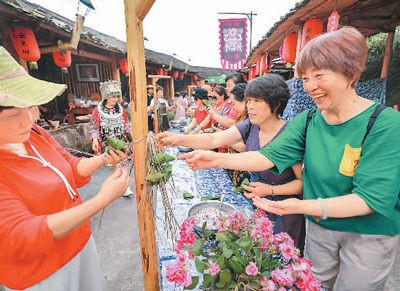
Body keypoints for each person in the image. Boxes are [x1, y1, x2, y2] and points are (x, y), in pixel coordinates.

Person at [177, 27, 400, 290]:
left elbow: (369, 199)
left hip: (369, 233)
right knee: (311, 284)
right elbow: (265, 157)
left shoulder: (385, 123)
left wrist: (298, 206)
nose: (310, 87)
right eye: (305, 78)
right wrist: (216, 160)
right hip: (320, 226)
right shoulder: (308, 121)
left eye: (319, 75)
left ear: (349, 74)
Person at [0, 46, 130, 291]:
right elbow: (21, 235)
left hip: (79, 244)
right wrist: (101, 200)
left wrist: (103, 159)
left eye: (31, 108)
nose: (29, 119)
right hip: (40, 273)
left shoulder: (35, 133)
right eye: (13, 114)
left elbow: (69, 166)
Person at [159, 75, 305, 249]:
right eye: (249, 100)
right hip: (259, 206)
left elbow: (302, 184)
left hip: (285, 211)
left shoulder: (290, 135)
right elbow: (214, 140)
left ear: (276, 103)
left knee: (282, 262)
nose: (250, 106)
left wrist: (271, 189)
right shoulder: (251, 125)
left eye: (257, 101)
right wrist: (178, 139)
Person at [90, 80, 132, 155]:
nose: (115, 99)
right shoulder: (97, 111)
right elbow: (94, 128)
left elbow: (127, 124)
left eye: (117, 97)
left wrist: (132, 133)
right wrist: (95, 140)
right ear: (106, 97)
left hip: (122, 141)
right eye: (113, 97)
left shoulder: (121, 110)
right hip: (106, 142)